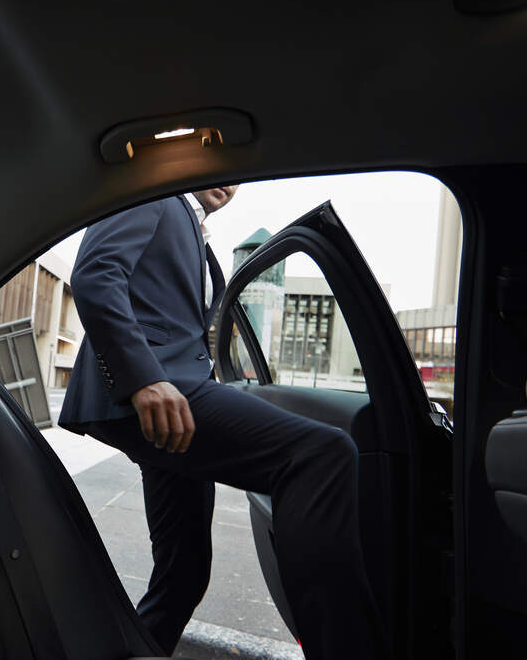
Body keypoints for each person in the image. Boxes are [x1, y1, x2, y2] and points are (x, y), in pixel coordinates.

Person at [58, 186, 388, 659]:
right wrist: (142, 378)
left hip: (175, 396)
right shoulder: (154, 195)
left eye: (237, 180)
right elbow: (94, 274)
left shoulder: (197, 236)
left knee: (184, 572)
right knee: (321, 454)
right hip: (152, 390)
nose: (228, 184)